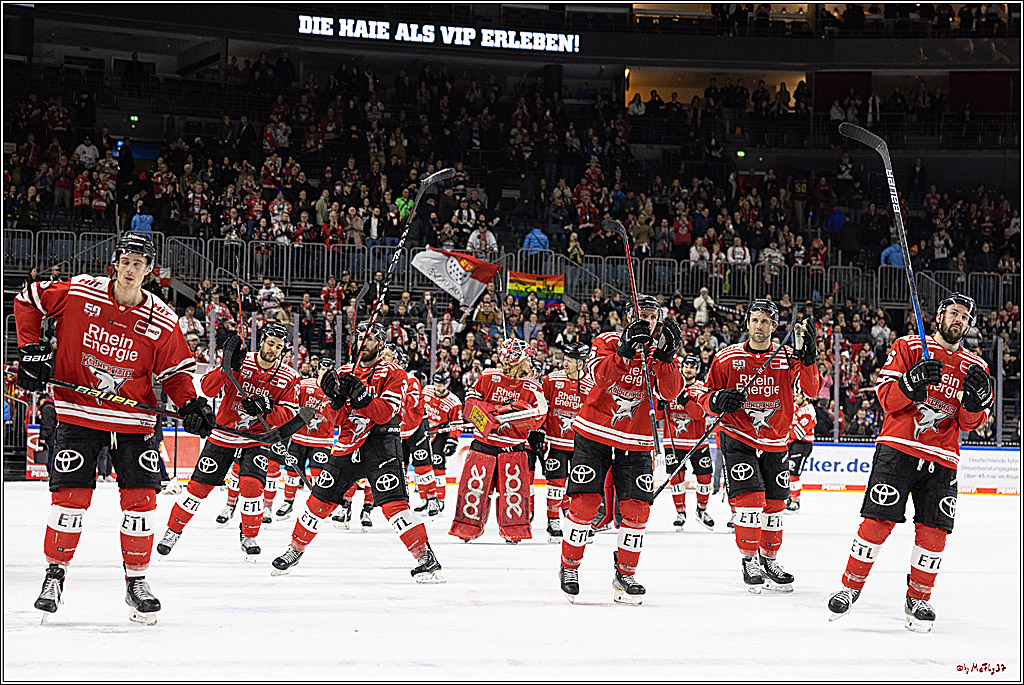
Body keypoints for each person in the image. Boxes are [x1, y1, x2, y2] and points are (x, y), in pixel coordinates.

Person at [14, 232, 215, 625]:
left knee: (141, 503)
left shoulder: (162, 318)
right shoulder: (80, 292)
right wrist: (30, 349)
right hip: (77, 413)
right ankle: (54, 577)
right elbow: (28, 299)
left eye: (139, 263)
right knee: (69, 501)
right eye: (125, 260)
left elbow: (176, 372)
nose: (130, 268)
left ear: (149, 271)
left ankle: (136, 581)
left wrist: (190, 403)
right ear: (115, 262)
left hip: (133, 422)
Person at [827, 294, 993, 633]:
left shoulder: (977, 366)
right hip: (899, 447)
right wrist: (910, 383)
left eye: (964, 317)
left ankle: (919, 597)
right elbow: (887, 399)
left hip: (943, 456)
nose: (958, 320)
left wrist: (976, 402)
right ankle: (849, 587)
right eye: (953, 313)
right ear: (939, 316)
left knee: (934, 532)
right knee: (876, 521)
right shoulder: (908, 345)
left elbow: (969, 422)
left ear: (970, 326)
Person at [270, 321, 445, 583]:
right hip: (348, 444)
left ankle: (425, 557)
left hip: (381, 444)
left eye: (370, 338)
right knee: (318, 501)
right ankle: (294, 550)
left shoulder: (394, 374)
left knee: (394, 506)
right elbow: (336, 419)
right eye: (360, 337)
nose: (364, 342)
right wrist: (334, 400)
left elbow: (386, 413)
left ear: (381, 344)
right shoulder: (343, 371)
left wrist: (361, 396)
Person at [559, 295, 683, 605]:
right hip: (594, 433)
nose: (648, 319)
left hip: (637, 440)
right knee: (585, 505)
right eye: (642, 314)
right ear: (627, 316)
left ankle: (625, 572)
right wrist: (625, 351)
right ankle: (569, 565)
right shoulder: (607, 340)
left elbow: (671, 392)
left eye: (653, 316)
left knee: (637, 510)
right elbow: (600, 377)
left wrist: (667, 360)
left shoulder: (658, 353)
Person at [695, 298, 821, 593]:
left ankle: (770, 560)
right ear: (747, 323)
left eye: (765, 321)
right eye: (755, 320)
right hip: (738, 437)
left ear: (775, 326)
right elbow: (706, 393)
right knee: (750, 503)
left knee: (775, 507)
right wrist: (717, 400)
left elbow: (813, 390)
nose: (759, 326)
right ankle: (749, 560)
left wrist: (810, 358)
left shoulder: (788, 357)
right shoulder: (727, 358)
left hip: (777, 440)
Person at [156, 323, 301, 561]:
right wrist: (227, 367)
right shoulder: (241, 361)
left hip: (256, 440)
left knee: (252, 488)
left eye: (278, 346)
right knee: (197, 490)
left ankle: (249, 536)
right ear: (261, 341)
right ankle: (172, 532)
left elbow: (290, 415)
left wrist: (268, 409)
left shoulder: (289, 376)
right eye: (270, 343)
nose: (273, 349)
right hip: (223, 435)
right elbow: (206, 389)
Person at [449, 338, 547, 544]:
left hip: (513, 447)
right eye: (527, 358)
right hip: (483, 444)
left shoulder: (533, 386)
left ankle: (514, 531)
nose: (531, 362)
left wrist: (521, 417)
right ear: (515, 360)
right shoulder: (488, 376)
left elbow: (540, 417)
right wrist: (489, 415)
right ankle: (466, 528)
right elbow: (470, 405)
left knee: (513, 492)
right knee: (474, 488)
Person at [274, 357, 344, 520]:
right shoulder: (305, 385)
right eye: (322, 368)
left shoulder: (337, 391)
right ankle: (287, 502)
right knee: (291, 471)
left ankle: (318, 504)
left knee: (318, 473)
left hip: (323, 440)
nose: (325, 372)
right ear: (317, 369)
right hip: (299, 437)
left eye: (329, 369)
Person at [540, 342, 595, 543]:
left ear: (581, 364)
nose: (565, 364)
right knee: (556, 482)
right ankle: (552, 520)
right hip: (556, 443)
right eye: (565, 359)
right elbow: (541, 409)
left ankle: (578, 522)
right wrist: (539, 432)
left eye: (570, 361)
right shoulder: (552, 380)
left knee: (581, 486)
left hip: (582, 445)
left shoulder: (592, 385)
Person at [382, 344, 440, 518]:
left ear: (397, 360)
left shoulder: (410, 379)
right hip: (397, 430)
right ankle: (403, 502)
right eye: (382, 354)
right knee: (399, 468)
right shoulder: (382, 380)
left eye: (387, 355)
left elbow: (412, 402)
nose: (383, 357)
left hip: (416, 428)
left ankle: (432, 499)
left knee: (423, 465)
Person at [661, 354, 715, 531]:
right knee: (676, 479)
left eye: (693, 366)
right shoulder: (671, 386)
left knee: (705, 477)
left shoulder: (701, 389)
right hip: (673, 442)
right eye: (686, 365)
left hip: (697, 441)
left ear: (697, 370)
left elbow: (699, 414)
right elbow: (660, 416)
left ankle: (701, 510)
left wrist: (683, 399)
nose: (689, 369)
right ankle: (680, 513)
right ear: (681, 367)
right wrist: (660, 402)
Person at [421, 369, 462, 514]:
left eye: (441, 385)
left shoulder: (454, 402)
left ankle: (440, 500)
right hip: (423, 432)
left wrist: (452, 440)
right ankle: (424, 499)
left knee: (438, 468)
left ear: (447, 384)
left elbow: (456, 424)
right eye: (436, 384)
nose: (437, 388)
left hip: (439, 435)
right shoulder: (426, 391)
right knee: (422, 466)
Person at [785, 392, 817, 512]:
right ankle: (789, 497)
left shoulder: (809, 411)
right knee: (787, 471)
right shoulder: (794, 407)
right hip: (792, 443)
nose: (795, 398)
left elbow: (798, 433)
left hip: (802, 444)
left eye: (798, 396)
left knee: (794, 472)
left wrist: (786, 435)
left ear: (805, 398)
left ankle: (795, 500)